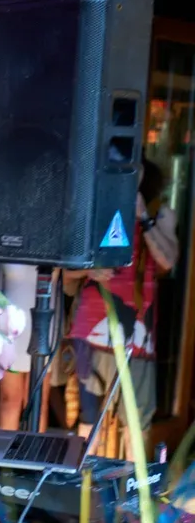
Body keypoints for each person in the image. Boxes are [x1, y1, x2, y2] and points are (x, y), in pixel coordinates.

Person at [58, 158, 179, 460]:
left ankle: (133, 502)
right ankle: (81, 492)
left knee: (137, 424)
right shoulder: (97, 208)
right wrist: (89, 272)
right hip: (91, 329)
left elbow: (169, 260)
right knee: (88, 421)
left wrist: (142, 219)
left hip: (136, 336)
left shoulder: (159, 213)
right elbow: (64, 273)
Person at [0, 262, 38, 429]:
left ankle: (35, 451)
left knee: (37, 401)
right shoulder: (5, 238)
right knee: (10, 399)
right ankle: (4, 452)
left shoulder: (56, 238)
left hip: (44, 323)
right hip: (9, 324)